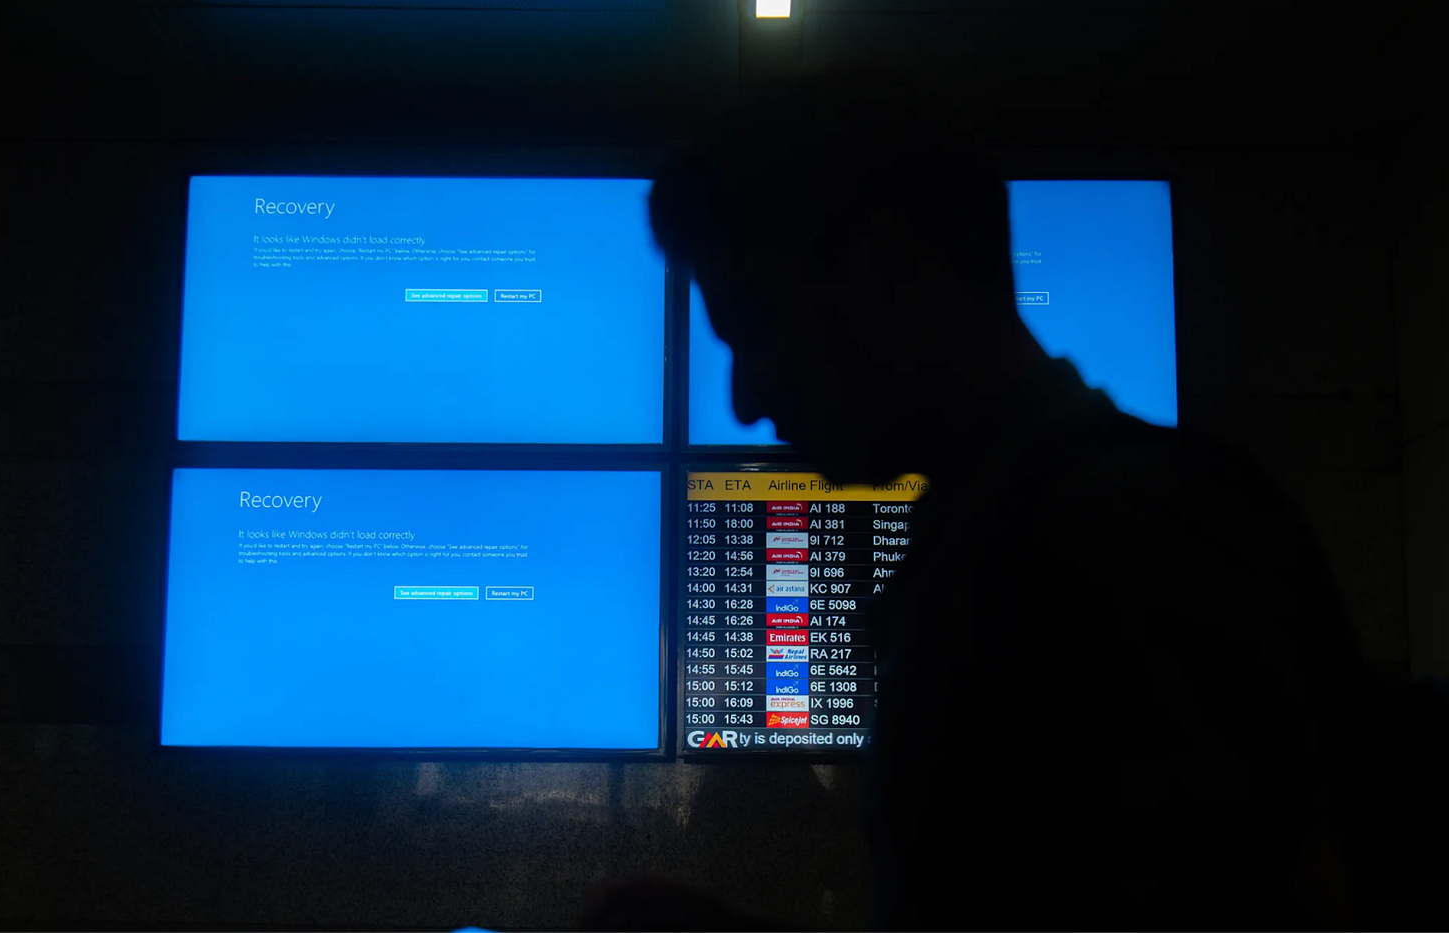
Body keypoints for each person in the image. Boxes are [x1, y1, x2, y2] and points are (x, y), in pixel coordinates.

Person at [583, 68, 1435, 931]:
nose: (744, 400)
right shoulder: (1053, 528)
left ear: (887, 264)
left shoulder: (1127, 541)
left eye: (756, 327)